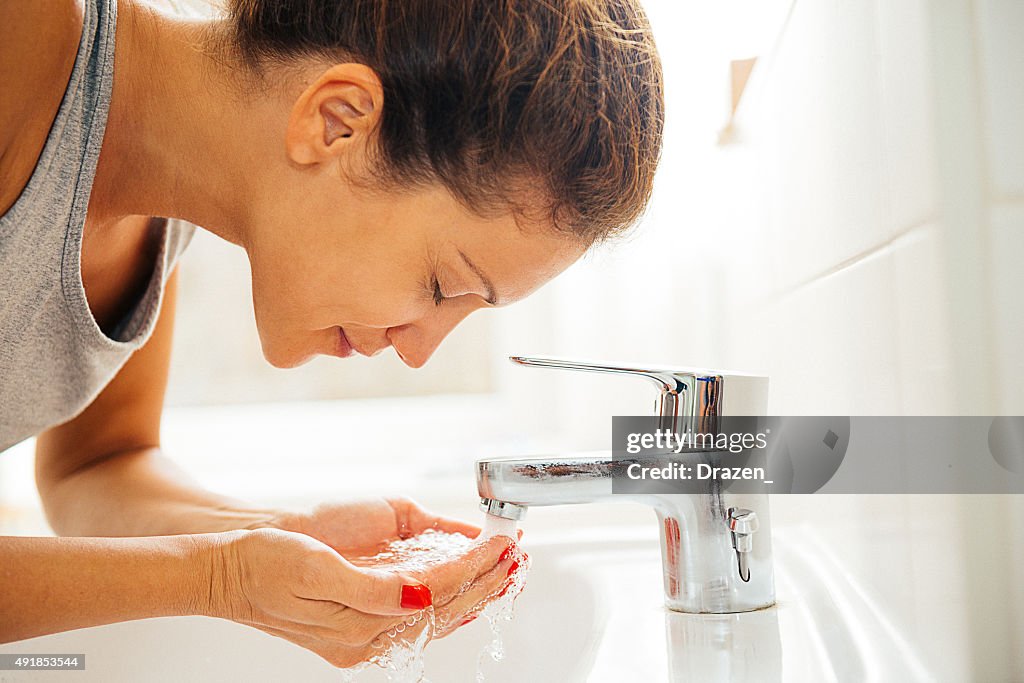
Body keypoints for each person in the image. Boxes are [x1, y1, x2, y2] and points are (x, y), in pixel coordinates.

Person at [0, 0, 664, 667]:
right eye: (441, 285)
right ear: (337, 120)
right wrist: (217, 580)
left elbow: (95, 468)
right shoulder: (24, 37)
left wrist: (282, 536)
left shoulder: (164, 206)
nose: (418, 351)